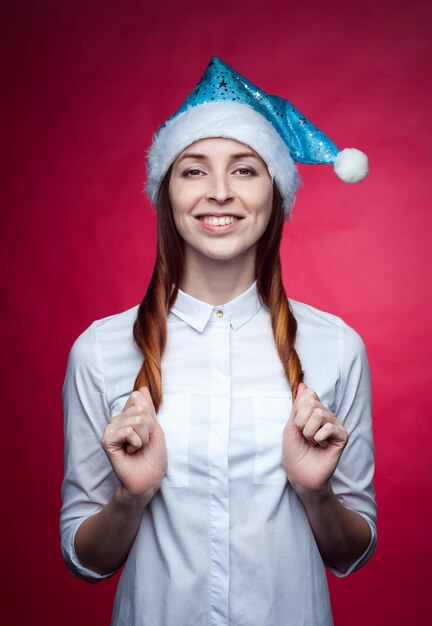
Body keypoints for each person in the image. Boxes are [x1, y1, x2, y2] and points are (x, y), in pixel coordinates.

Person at [60, 57, 376, 626]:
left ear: (275, 192)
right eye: (195, 170)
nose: (221, 192)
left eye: (246, 170)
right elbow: (86, 561)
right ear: (167, 193)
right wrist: (131, 498)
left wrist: (315, 493)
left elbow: (351, 553)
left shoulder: (337, 348)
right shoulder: (100, 351)